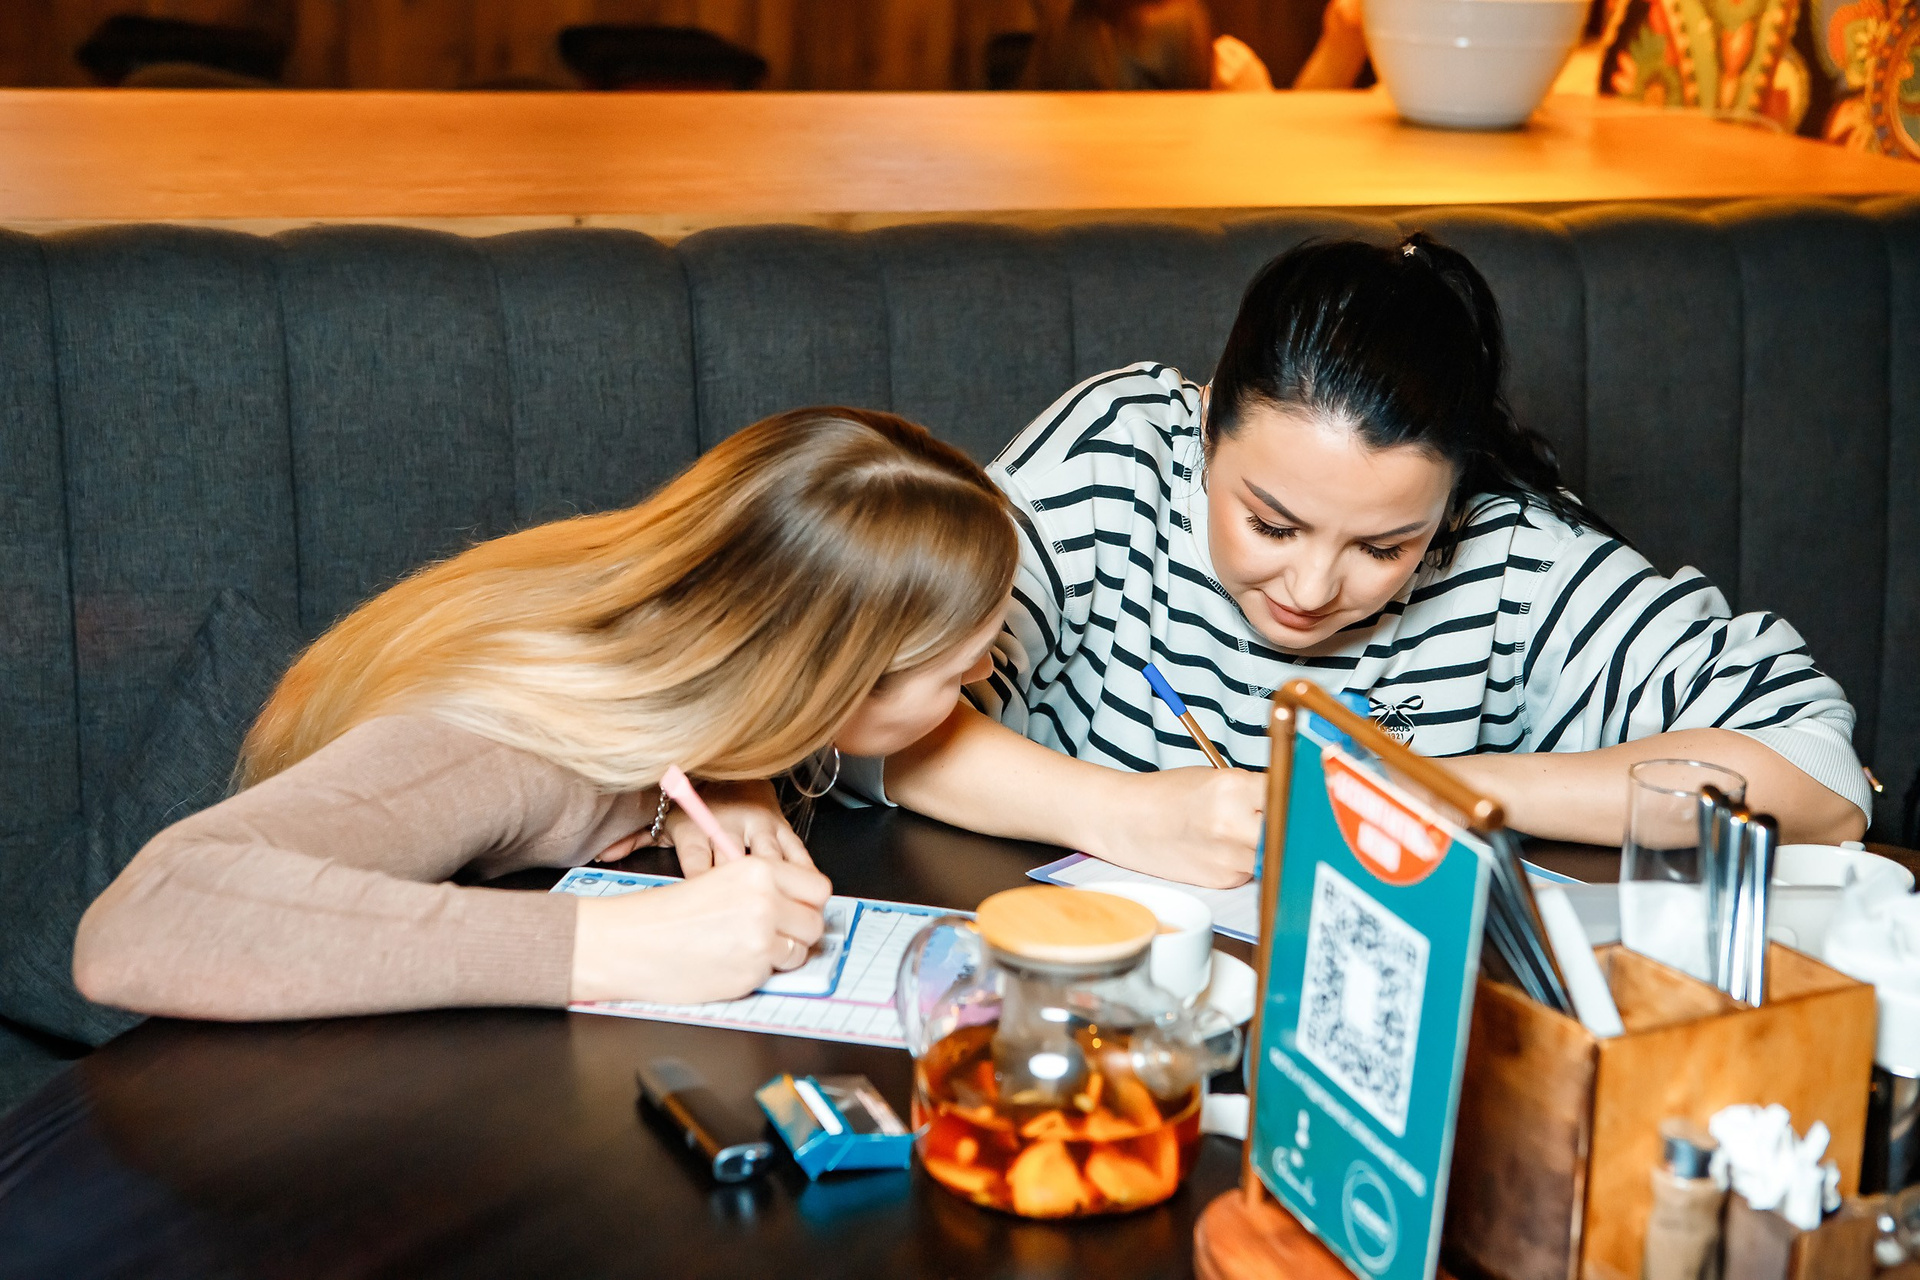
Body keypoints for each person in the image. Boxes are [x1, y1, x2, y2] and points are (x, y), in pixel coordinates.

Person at [866, 234, 1872, 887]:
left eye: (1385, 547)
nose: (1311, 590)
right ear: (1207, 426)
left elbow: (1818, 772)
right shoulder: (1119, 458)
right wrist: (1120, 814)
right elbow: (844, 697)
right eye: (1271, 524)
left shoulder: (1507, 555)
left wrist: (1428, 787)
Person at [73, 409, 1017, 1019]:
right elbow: (145, 922)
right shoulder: (503, 747)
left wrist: (736, 771)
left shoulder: (689, 624)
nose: (986, 671)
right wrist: (618, 946)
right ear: (828, 679)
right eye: (958, 666)